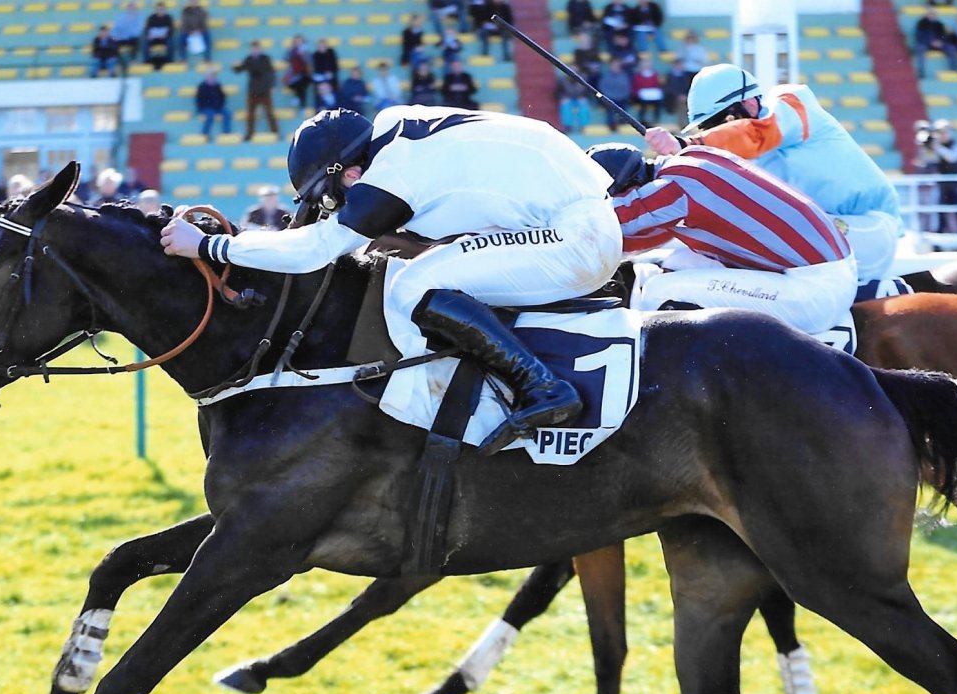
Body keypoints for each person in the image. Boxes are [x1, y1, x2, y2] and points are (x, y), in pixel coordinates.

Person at [160, 107, 622, 455]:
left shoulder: (394, 171)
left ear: (352, 173)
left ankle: (541, 387)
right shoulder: (398, 131)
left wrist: (209, 246)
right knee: (419, 273)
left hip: (576, 239)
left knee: (412, 287)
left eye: (333, 198)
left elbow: (316, 250)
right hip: (577, 224)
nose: (338, 206)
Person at [646, 66, 906, 299]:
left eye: (720, 121)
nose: (715, 130)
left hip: (869, 229)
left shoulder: (792, 101)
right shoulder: (732, 154)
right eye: (707, 127)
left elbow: (755, 134)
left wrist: (690, 145)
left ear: (750, 102)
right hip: (825, 239)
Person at [588, 143, 857, 337]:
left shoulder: (675, 190)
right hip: (828, 271)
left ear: (630, 185)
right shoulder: (693, 157)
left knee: (659, 290)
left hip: (815, 292)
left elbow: (613, 218)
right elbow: (641, 239)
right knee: (678, 262)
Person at [234, 41, 279, 139]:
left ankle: (275, 131)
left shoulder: (265, 59)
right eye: (253, 49)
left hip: (264, 90)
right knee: (250, 114)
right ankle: (249, 133)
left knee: (269, 112)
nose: (255, 51)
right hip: (253, 90)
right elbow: (240, 69)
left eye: (256, 49)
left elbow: (271, 72)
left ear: (260, 49)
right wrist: (235, 67)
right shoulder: (249, 59)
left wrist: (272, 86)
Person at [911, 5, 953, 79]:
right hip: (925, 43)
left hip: (938, 44)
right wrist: (930, 42)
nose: (932, 15)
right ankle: (920, 72)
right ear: (926, 14)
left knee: (951, 48)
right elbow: (919, 37)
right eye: (930, 13)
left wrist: (941, 42)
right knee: (920, 48)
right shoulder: (921, 23)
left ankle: (954, 71)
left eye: (934, 14)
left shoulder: (939, 24)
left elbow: (944, 36)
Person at [598, 59, 634, 132]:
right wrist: (610, 95)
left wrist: (622, 96)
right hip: (610, 97)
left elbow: (627, 88)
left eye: (617, 66)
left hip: (622, 97)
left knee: (624, 105)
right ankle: (611, 124)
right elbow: (602, 87)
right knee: (609, 105)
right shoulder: (606, 76)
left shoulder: (624, 76)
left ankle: (623, 122)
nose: (615, 67)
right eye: (614, 66)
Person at [195, 64, 230, 137]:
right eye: (211, 75)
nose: (213, 77)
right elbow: (199, 99)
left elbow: (223, 96)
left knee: (227, 113)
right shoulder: (202, 86)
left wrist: (220, 105)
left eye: (214, 75)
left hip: (217, 107)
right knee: (210, 116)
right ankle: (205, 133)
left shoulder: (217, 85)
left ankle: (226, 132)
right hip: (207, 107)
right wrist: (200, 108)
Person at [631, 53, 664, 125]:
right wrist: (638, 93)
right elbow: (635, 87)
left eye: (647, 63)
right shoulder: (638, 75)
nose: (646, 65)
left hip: (652, 95)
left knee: (658, 103)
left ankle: (656, 120)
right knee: (643, 104)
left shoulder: (654, 74)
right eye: (644, 63)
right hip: (641, 96)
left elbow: (657, 85)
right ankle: (642, 120)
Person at [283, 36, 312, 109]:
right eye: (297, 41)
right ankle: (299, 99)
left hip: (304, 74)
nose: (298, 43)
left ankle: (300, 101)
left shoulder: (306, 51)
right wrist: (290, 51)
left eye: (300, 41)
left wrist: (303, 54)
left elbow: (309, 62)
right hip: (294, 74)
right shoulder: (292, 51)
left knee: (302, 84)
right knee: (297, 84)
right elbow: (285, 59)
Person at [143, 1, 174, 69]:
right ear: (156, 10)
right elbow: (147, 29)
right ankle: (147, 61)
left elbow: (171, 29)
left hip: (164, 38)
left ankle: (169, 60)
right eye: (159, 9)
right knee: (145, 42)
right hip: (153, 38)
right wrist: (149, 35)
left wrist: (166, 35)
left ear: (165, 10)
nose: (160, 11)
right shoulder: (151, 18)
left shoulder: (168, 18)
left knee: (170, 42)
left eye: (162, 9)